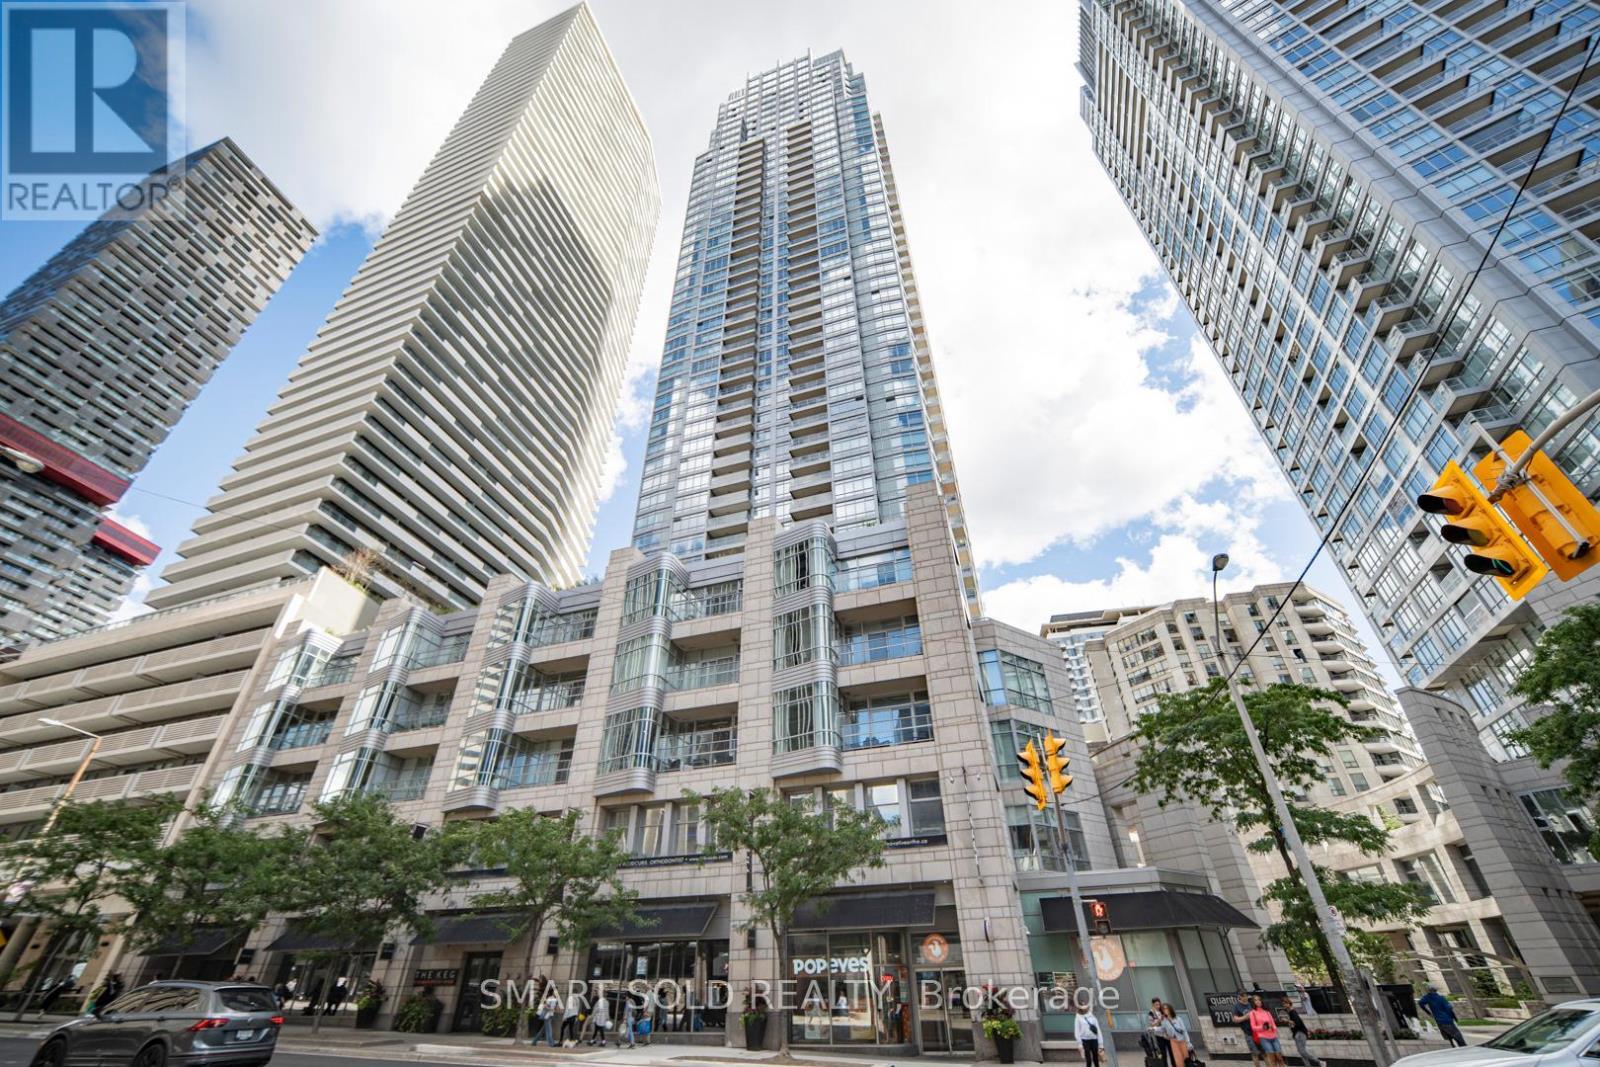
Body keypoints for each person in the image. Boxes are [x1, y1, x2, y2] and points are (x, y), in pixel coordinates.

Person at [1281, 996, 1321, 1067]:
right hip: (1298, 1033)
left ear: (1289, 1003)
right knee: (1301, 1051)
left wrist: (1287, 1021)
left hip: (1300, 1033)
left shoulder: (1292, 1012)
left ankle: (1319, 1062)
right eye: (1283, 1003)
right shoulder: (1290, 1012)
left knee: (1302, 1051)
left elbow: (1298, 1023)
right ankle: (1308, 1065)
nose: (1284, 1005)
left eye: (1285, 1003)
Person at [1247, 995, 1285, 1067]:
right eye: (1256, 1000)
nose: (1258, 1001)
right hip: (1264, 1038)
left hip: (1273, 1036)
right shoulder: (1252, 1013)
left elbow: (1273, 1024)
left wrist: (1273, 1028)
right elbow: (1253, 1027)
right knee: (1272, 1059)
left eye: (1259, 1000)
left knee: (1279, 1058)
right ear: (1253, 1002)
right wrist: (1263, 1027)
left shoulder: (1267, 1012)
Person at [1233, 991, 1263, 1067]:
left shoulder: (1250, 1004)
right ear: (1240, 997)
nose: (1246, 997)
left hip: (1258, 1031)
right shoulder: (1237, 1006)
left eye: (1246, 996)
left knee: (1264, 1052)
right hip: (1248, 1033)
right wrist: (1245, 1017)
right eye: (1244, 996)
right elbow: (1235, 1019)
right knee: (1255, 1053)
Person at [1149, 998, 1176, 1067]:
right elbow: (1152, 1024)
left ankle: (1174, 1065)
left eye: (1159, 1004)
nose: (1158, 1006)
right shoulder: (1151, 1012)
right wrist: (1159, 1020)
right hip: (1159, 1036)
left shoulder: (1163, 1010)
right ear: (1153, 1005)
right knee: (1163, 1053)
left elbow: (1170, 1018)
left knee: (1172, 1052)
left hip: (1168, 1035)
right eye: (1156, 1004)